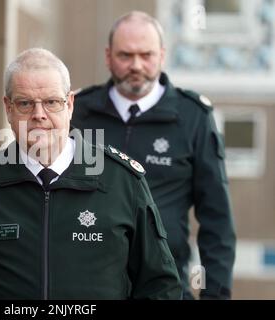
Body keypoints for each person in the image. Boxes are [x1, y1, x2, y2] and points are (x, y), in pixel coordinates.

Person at [0, 48, 181, 299]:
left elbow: (161, 287)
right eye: (25, 103)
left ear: (69, 104)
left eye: (51, 102)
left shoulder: (123, 182)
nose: (39, 115)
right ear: (8, 108)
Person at [72, 11, 236, 299]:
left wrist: (214, 296)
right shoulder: (78, 113)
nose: (136, 65)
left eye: (146, 55)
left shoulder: (193, 117)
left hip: (165, 287)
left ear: (162, 55)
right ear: (108, 56)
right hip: (86, 287)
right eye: (125, 55)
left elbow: (217, 223)